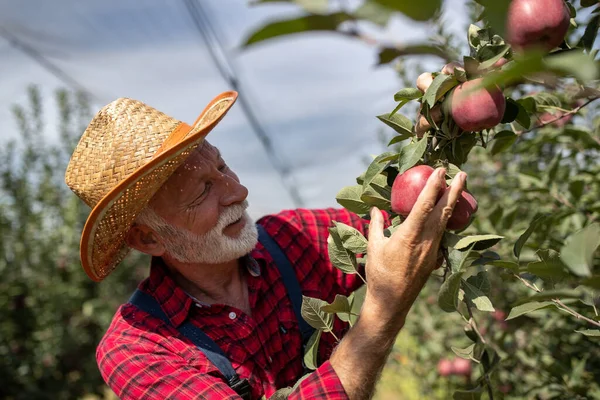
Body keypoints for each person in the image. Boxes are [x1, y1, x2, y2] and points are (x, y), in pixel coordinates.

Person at [65, 92, 467, 400]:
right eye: (202, 191)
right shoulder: (140, 350)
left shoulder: (292, 239)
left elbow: (407, 222)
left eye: (222, 168)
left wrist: (437, 128)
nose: (237, 191)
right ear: (147, 237)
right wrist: (384, 309)